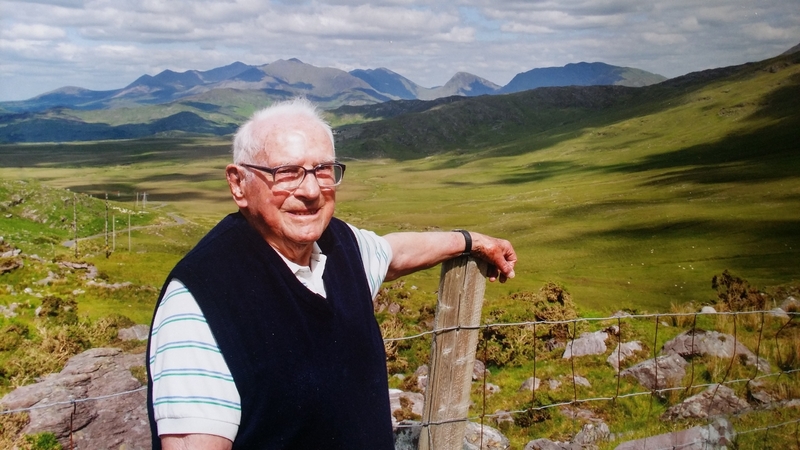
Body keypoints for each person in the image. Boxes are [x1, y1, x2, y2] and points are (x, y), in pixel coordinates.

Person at [146, 97, 517, 450]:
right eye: (286, 173)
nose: (310, 190)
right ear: (238, 184)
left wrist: (471, 241)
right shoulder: (199, 302)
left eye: (322, 170)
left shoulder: (340, 245)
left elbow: (393, 254)